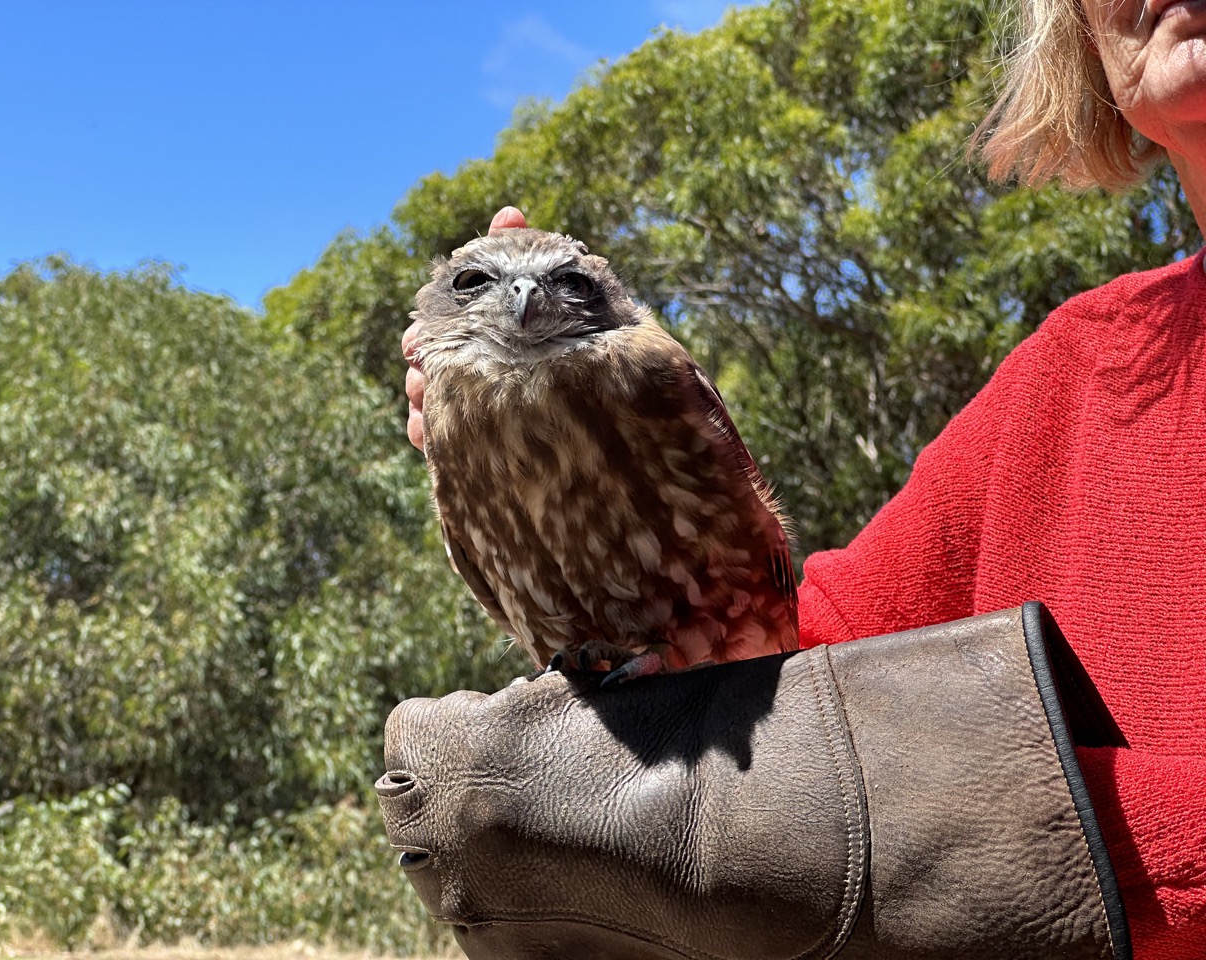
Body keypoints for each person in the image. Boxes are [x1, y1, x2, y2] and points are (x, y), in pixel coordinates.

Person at [400, 0, 1206, 954]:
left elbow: (845, 784)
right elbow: (798, 647)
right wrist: (572, 482)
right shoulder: (1081, 369)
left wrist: (983, 843)